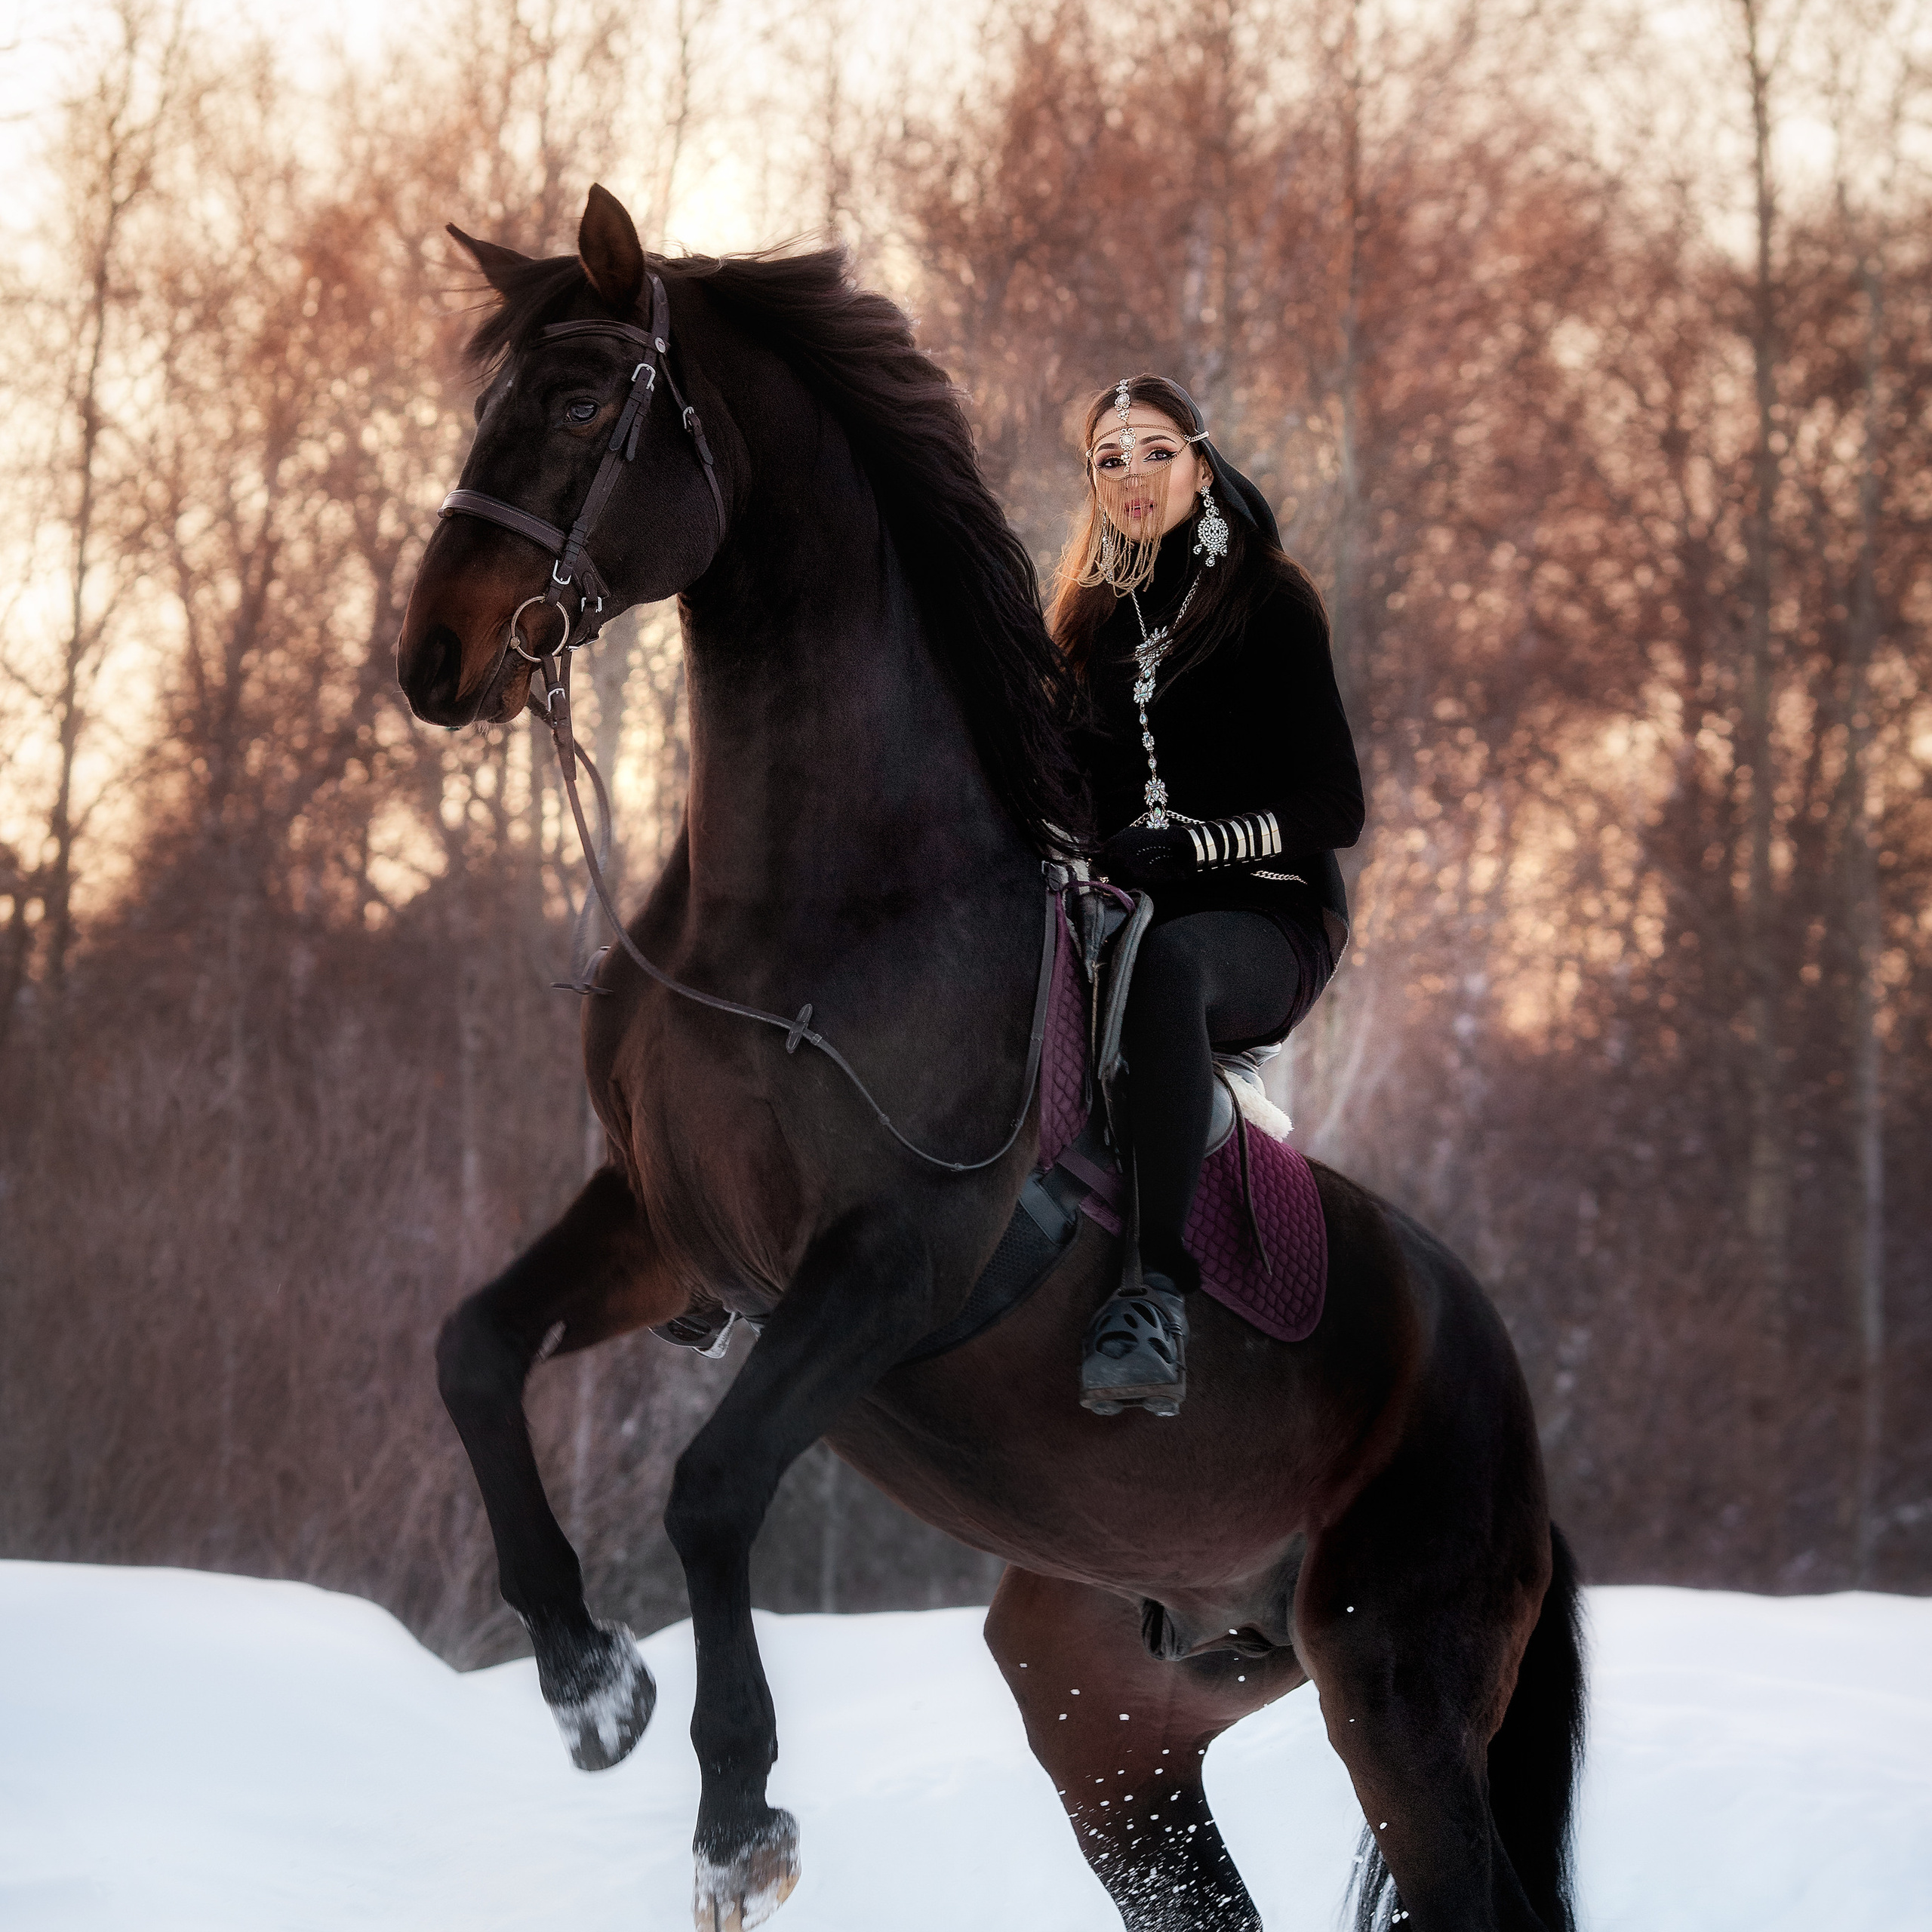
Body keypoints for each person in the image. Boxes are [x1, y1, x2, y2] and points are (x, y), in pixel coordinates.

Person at [1053, 375, 1364, 1416]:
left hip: (1269, 916)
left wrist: (1197, 848)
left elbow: (1336, 805)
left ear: (1199, 462)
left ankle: (1152, 1297)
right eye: (1109, 460)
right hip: (1122, 916)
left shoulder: (1268, 601)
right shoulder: (1086, 622)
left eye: (1155, 452)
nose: (1132, 475)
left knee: (1172, 966)